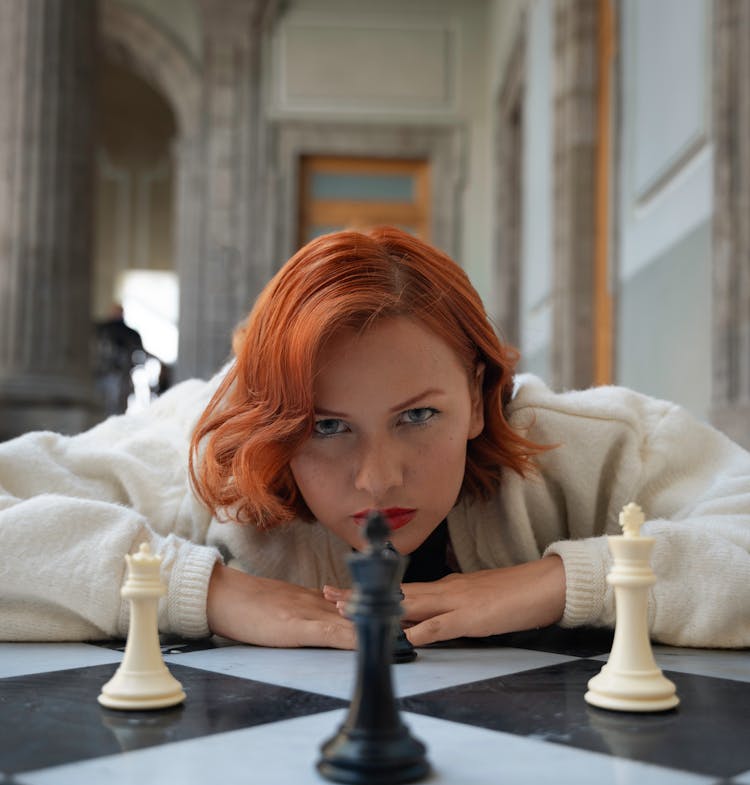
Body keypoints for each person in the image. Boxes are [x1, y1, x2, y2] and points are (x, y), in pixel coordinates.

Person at [2, 227, 749, 648]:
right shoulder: (203, 454)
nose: (376, 479)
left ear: (483, 396)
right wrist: (209, 591)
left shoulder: (583, 440)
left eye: (419, 416)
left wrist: (556, 582)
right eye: (327, 427)